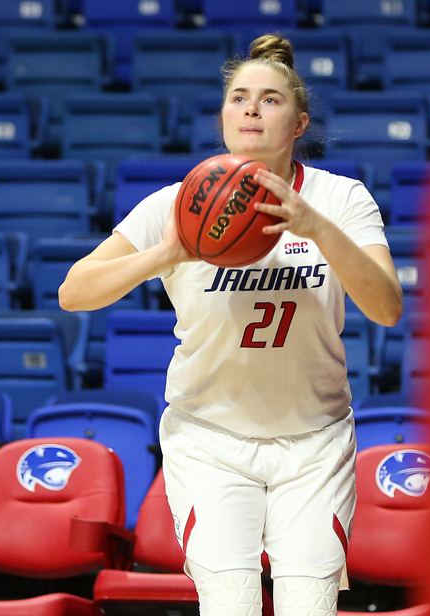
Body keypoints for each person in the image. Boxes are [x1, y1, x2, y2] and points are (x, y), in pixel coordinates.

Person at [59, 34, 403, 616]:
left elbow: (387, 306)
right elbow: (74, 292)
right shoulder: (177, 204)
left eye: (270, 100)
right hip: (210, 439)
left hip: (314, 441)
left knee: (309, 607)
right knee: (231, 606)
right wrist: (164, 254)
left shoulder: (340, 199)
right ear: (222, 116)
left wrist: (314, 226)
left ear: (299, 123)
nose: (251, 109)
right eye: (239, 97)